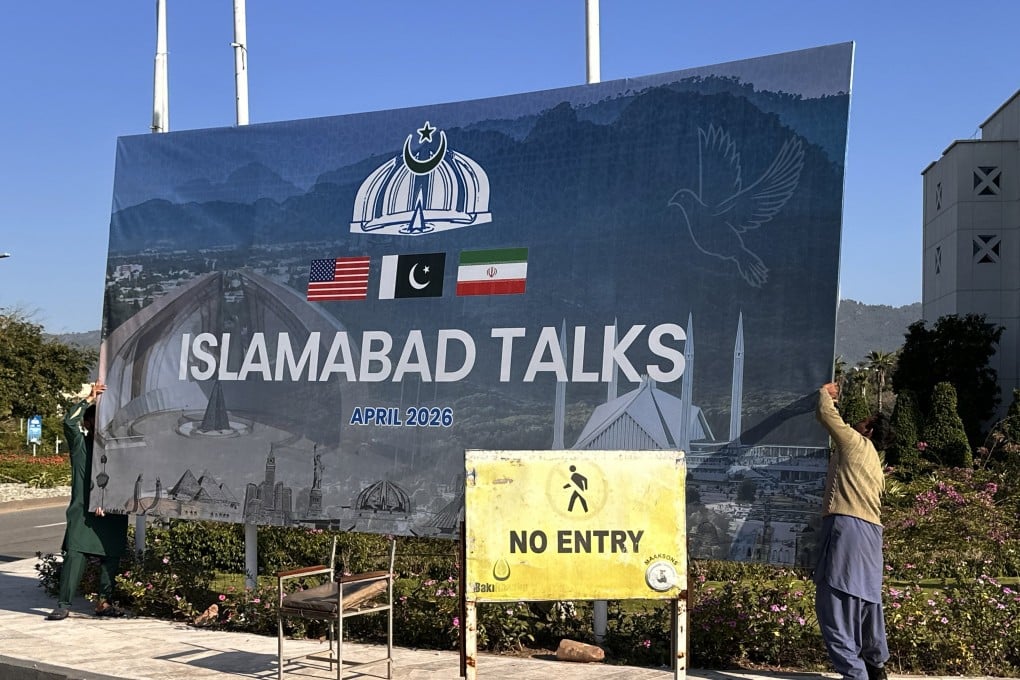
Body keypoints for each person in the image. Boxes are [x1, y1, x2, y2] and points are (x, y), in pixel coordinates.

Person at [813, 382, 894, 680]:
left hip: (846, 528)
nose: (856, 421)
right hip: (872, 535)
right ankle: (876, 666)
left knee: (834, 604)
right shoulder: (875, 461)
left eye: (863, 420)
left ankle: (854, 673)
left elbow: (825, 414)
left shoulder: (854, 442)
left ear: (868, 429)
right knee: (866, 603)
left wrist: (827, 394)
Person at [47, 381, 130, 620]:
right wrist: (89, 399)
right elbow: (68, 422)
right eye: (97, 421)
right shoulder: (81, 447)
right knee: (75, 554)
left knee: (111, 556)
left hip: (112, 510)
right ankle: (63, 603)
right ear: (89, 423)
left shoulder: (118, 449)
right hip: (83, 512)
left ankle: (104, 603)